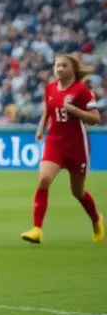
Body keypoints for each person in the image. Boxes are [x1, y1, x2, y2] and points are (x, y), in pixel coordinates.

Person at [22, 53, 103, 244]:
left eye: (63, 66)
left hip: (76, 146)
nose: (59, 69)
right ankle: (37, 229)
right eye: (56, 66)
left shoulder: (82, 91)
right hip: (55, 142)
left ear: (73, 69)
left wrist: (73, 109)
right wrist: (41, 128)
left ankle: (96, 219)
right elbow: (48, 110)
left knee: (77, 192)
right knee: (44, 179)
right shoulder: (50, 88)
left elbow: (96, 118)